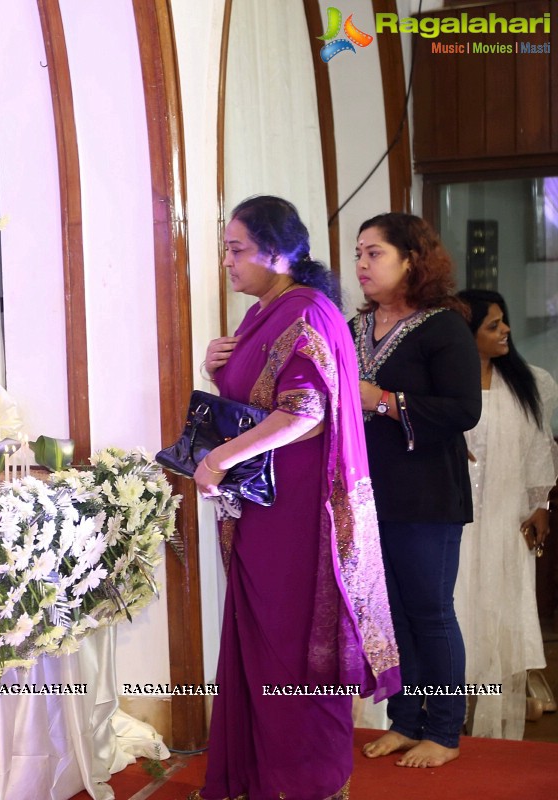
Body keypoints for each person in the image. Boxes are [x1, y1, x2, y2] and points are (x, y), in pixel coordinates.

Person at [192, 196, 400, 800]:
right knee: (262, 642)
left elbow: (304, 414)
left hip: (298, 513)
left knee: (293, 649)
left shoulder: (305, 313)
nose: (227, 262)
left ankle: (308, 784)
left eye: (237, 249)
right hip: (265, 508)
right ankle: (259, 780)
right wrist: (216, 366)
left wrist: (218, 458)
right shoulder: (267, 311)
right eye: (225, 249)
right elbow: (256, 397)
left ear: (278, 253)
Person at [351, 213, 481, 768]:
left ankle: (446, 731)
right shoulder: (354, 327)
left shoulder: (443, 325)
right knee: (391, 615)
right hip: (366, 495)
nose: (361, 264)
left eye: (375, 253)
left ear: (412, 260)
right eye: (358, 253)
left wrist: (380, 399)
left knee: (431, 612)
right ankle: (406, 720)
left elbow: (463, 410)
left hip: (427, 494)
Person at [453, 289, 557, 738]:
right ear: (466, 333)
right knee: (454, 612)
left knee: (500, 609)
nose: (505, 330)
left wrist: (541, 504)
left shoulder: (531, 382)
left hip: (506, 518)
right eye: (493, 325)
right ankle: (445, 715)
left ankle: (495, 726)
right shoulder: (443, 385)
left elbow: (540, 447)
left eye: (504, 321)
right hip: (452, 520)